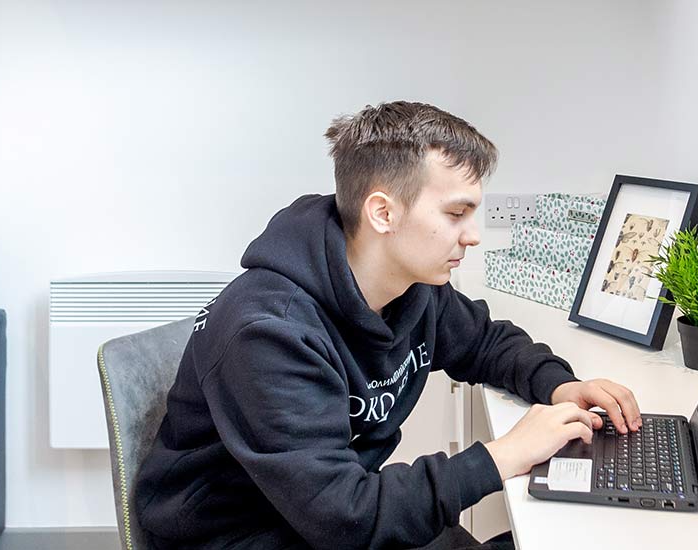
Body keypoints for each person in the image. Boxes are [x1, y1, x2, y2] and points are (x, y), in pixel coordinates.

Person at [133, 101, 645, 550]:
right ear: (383, 213)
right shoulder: (269, 333)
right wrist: (502, 456)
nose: (472, 236)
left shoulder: (411, 284)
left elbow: (484, 342)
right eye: (456, 213)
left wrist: (559, 385)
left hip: (331, 508)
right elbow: (342, 518)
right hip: (242, 532)